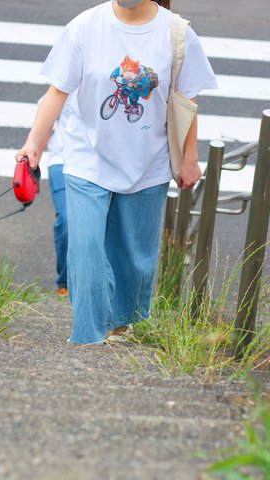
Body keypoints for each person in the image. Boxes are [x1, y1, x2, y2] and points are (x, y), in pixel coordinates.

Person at [16, 0, 217, 344]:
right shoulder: (85, 26)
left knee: (134, 259)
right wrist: (33, 145)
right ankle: (88, 339)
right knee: (85, 248)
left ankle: (118, 323)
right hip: (86, 157)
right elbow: (57, 91)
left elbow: (186, 101)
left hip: (147, 161)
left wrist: (189, 158)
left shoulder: (177, 34)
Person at [43, 94, 77, 296]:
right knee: (66, 220)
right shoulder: (66, 78)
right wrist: (31, 166)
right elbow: (46, 121)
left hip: (101, 164)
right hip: (62, 160)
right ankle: (65, 281)